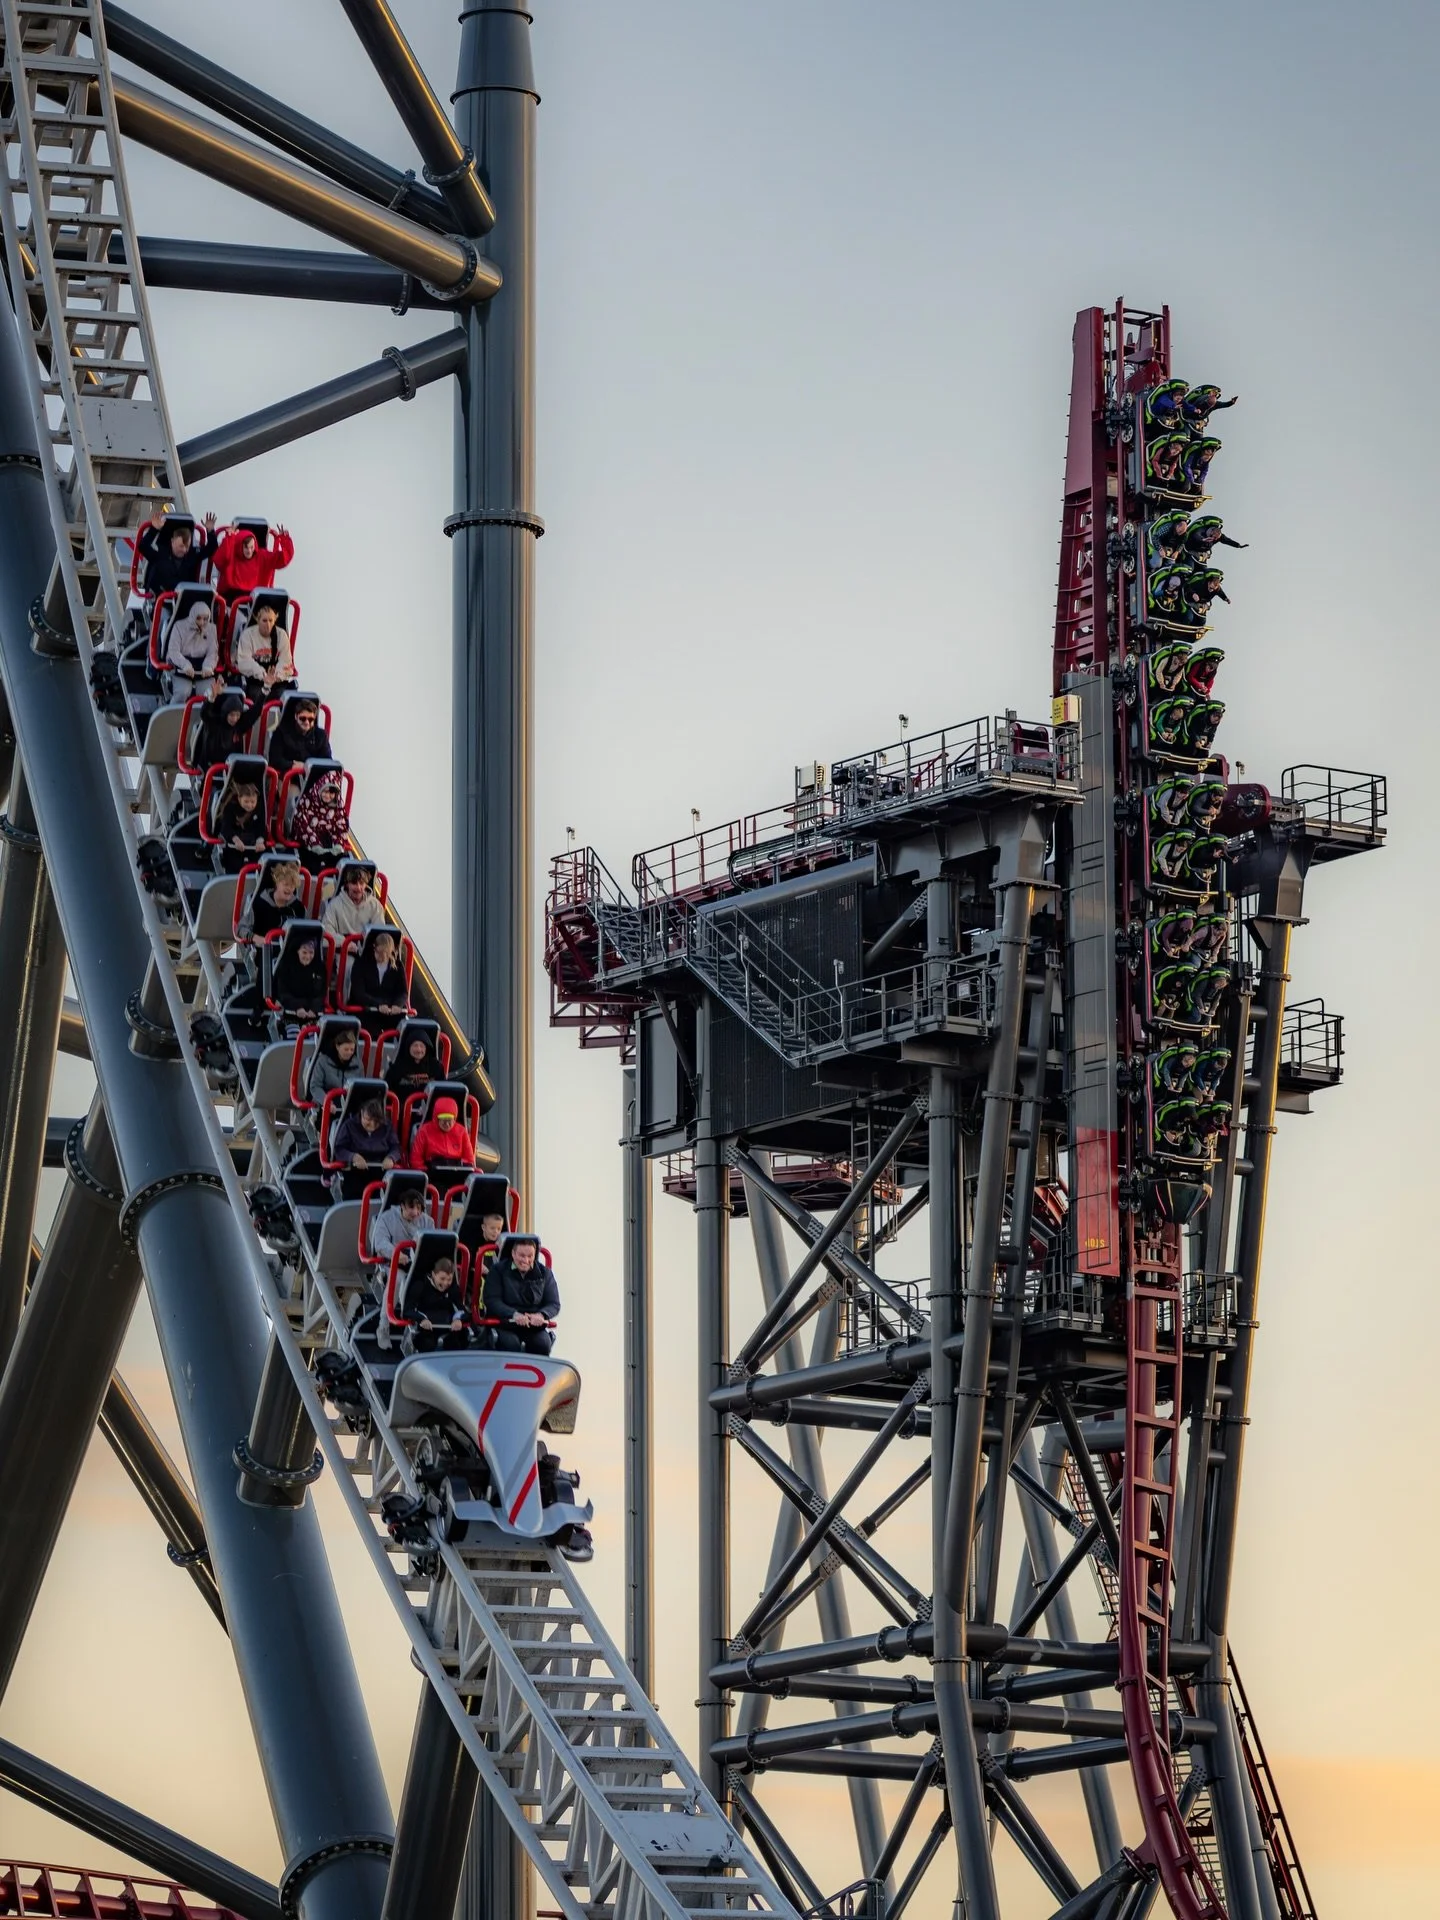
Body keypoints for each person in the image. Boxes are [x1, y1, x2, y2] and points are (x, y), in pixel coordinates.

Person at [483, 1235, 559, 1355]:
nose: (526, 1260)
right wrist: (514, 1314)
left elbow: (553, 1303)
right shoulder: (498, 1271)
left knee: (543, 1344)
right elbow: (492, 1300)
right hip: (506, 1323)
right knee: (510, 1345)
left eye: (530, 1256)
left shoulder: (545, 1273)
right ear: (513, 1254)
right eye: (522, 1256)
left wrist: (541, 1315)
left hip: (533, 1327)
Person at [137, 510, 218, 597]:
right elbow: (143, 546)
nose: (184, 550)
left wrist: (210, 531)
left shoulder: (192, 555)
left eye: (187, 547)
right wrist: (154, 529)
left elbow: (212, 548)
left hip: (185, 600)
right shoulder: (160, 556)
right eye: (181, 546)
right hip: (163, 600)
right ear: (172, 541)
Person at [213, 523, 294, 600]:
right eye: (246, 547)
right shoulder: (231, 554)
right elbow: (219, 561)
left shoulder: (262, 556)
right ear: (240, 546)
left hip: (255, 598)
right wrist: (229, 537)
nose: (249, 551)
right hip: (232, 596)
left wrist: (284, 539)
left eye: (251, 547)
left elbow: (283, 559)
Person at [404, 1255, 472, 1346]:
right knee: (427, 1343)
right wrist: (421, 1319)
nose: (445, 1283)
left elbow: (463, 1310)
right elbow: (408, 1310)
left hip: (447, 1325)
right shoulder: (420, 1286)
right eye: (442, 1279)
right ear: (433, 1274)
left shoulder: (453, 1289)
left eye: (449, 1279)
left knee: (457, 1341)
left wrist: (458, 1319)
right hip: (425, 1327)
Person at [348, 930, 409, 1030]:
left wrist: (397, 1005)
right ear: (374, 948)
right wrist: (378, 1005)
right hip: (366, 1009)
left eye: (386, 953)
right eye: (380, 952)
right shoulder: (361, 963)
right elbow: (359, 993)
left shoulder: (397, 966)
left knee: (402, 1021)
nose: (383, 957)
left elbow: (403, 992)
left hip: (389, 1011)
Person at [191, 686, 263, 770]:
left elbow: (256, 711)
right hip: (210, 765)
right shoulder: (214, 722)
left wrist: (265, 689)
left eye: (237, 715)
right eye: (232, 715)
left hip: (231, 766)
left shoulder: (239, 724)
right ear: (226, 713)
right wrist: (211, 698)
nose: (234, 719)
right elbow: (205, 714)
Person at [231, 601, 296, 694]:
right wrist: (263, 675)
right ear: (257, 619)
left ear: (275, 620)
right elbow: (244, 662)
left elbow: (286, 661)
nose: (268, 625)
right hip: (255, 680)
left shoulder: (281, 635)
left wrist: (276, 676)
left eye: (271, 621)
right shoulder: (248, 635)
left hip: (276, 680)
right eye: (264, 621)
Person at [164, 601, 221, 698]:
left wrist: (208, 666)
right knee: (183, 691)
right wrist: (185, 665)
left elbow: (213, 652)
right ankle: (176, 711)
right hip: (181, 666)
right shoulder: (179, 626)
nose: (202, 622)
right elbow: (173, 650)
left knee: (208, 693)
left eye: (205, 619)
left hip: (201, 666)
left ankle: (204, 712)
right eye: (198, 618)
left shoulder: (211, 629)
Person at [408, 1095, 475, 1173]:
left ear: (454, 1119)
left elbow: (469, 1159)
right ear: (436, 1119)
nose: (446, 1124)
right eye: (443, 1120)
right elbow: (416, 1158)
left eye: (449, 1120)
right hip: (432, 1171)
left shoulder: (462, 1131)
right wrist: (424, 1171)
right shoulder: (424, 1131)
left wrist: (462, 1168)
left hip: (456, 1170)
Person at [269, 932, 328, 1020]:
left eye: (311, 952)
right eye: (304, 952)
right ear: (297, 951)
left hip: (311, 1012)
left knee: (315, 1031)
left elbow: (321, 993)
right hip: (289, 1009)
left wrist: (314, 1009)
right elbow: (282, 992)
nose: (308, 956)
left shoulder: (319, 967)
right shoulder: (285, 965)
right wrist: (297, 1007)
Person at [332, 1095, 401, 1171]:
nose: (372, 1124)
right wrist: (353, 1157)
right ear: (361, 1113)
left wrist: (391, 1157)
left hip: (381, 1167)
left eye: (377, 1121)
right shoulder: (349, 1125)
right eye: (368, 1119)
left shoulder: (387, 1125)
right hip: (354, 1168)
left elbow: (396, 1147)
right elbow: (339, 1149)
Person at [289, 770, 348, 856]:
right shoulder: (307, 801)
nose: (328, 796)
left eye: (331, 793)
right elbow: (301, 825)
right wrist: (315, 844)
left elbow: (341, 827)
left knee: (342, 857)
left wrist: (338, 845)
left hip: (327, 841)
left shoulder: (338, 805)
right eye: (325, 791)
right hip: (307, 844)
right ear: (319, 788)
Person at [266, 697, 332, 773]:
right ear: (296, 716)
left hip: (312, 776)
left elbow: (327, 760)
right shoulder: (281, 732)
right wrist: (292, 765)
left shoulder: (321, 735)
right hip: (287, 775)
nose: (307, 722)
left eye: (311, 719)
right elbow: (275, 759)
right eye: (303, 718)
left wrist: (308, 766)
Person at [323, 864, 386, 940]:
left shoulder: (375, 905)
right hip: (341, 949)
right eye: (354, 883)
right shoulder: (334, 905)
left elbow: (380, 935)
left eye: (361, 883)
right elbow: (326, 933)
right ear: (347, 884)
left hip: (367, 949)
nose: (358, 887)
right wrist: (344, 942)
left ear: (366, 885)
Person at [370, 1187, 428, 1268]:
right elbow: (380, 1242)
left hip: (418, 1263)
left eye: (419, 1208)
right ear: (402, 1205)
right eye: (411, 1207)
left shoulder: (428, 1221)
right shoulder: (386, 1218)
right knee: (401, 1280)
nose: (415, 1212)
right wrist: (395, 1253)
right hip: (392, 1262)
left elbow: (430, 1244)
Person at [250, 859, 306, 938]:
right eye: (286, 884)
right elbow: (241, 929)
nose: (289, 889)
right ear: (277, 882)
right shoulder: (258, 902)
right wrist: (255, 937)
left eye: (292, 885)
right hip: (263, 948)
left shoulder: (299, 908)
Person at [308, 1023, 364, 1101]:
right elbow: (315, 1086)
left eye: (352, 1050)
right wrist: (326, 1101)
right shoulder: (323, 1061)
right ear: (337, 1047)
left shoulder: (358, 1064)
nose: (349, 1052)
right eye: (346, 1049)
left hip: (348, 1103)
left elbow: (361, 1088)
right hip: (327, 1102)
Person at [213, 775, 267, 853]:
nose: (250, 805)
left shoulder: (259, 808)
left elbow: (261, 826)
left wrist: (260, 841)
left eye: (252, 802)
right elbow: (226, 827)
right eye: (246, 801)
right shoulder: (231, 807)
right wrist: (236, 839)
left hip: (250, 839)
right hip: (232, 838)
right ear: (239, 798)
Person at [385, 1029, 442, 1103]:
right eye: (415, 1046)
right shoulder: (397, 1067)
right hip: (402, 1109)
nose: (418, 1050)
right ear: (409, 1047)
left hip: (428, 1109)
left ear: (426, 1048)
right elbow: (388, 1091)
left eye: (422, 1046)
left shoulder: (435, 1066)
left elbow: (442, 1089)